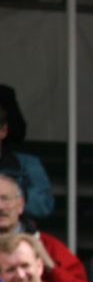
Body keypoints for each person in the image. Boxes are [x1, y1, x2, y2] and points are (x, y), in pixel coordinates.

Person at [0, 174, 87, 282]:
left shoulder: (47, 244)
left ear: (21, 204)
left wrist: (49, 266)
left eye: (5, 199)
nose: (0, 207)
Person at [0, 86, 55, 219]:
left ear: (3, 131)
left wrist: (10, 191)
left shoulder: (27, 164)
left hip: (16, 230)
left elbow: (43, 205)